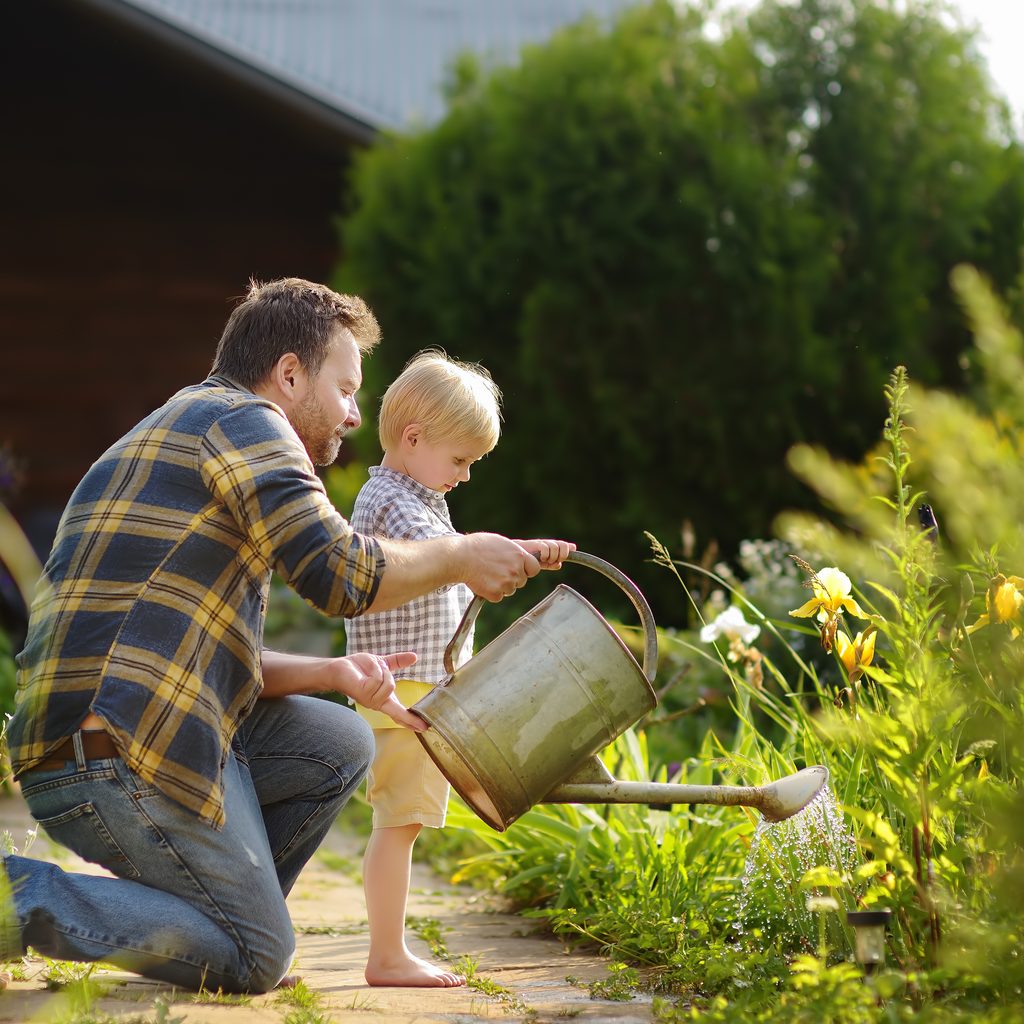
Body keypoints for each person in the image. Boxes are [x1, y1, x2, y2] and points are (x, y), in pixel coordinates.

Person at [3, 278, 574, 993]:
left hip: (136, 727)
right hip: (105, 753)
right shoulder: (248, 423)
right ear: (289, 373)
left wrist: (333, 674)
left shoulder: (190, 425)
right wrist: (459, 556)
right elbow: (336, 572)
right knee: (257, 958)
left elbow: (198, 655)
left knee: (339, 739)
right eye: (344, 389)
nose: (353, 416)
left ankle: (210, 916)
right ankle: (19, 899)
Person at [345, 350, 563, 988]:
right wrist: (503, 554)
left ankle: (389, 949)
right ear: (413, 439)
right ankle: (386, 956)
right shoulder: (392, 503)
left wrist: (521, 554)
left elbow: (459, 566)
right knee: (399, 825)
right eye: (461, 460)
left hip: (415, 688)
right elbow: (450, 560)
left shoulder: (410, 495)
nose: (465, 476)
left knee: (403, 822)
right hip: (405, 691)